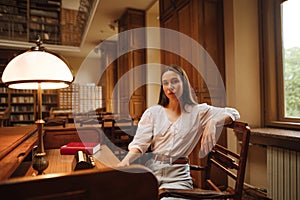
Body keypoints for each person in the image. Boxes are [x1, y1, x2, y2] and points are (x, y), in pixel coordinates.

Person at [118, 65, 240, 191]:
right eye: (165, 83)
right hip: (152, 172)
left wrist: (213, 122)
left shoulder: (198, 112)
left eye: (175, 81)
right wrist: (126, 161)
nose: (170, 87)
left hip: (178, 176)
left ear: (184, 84)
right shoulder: (153, 112)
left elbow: (234, 113)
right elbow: (139, 145)